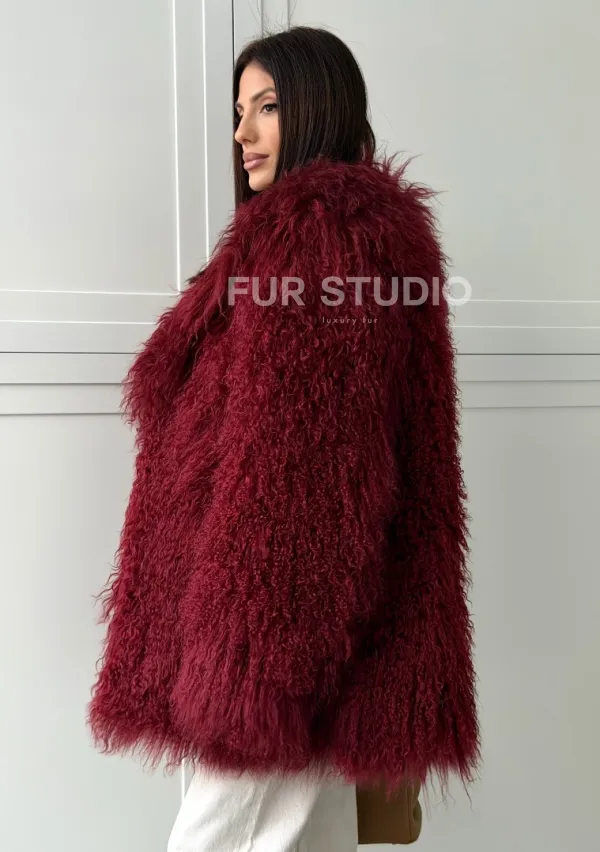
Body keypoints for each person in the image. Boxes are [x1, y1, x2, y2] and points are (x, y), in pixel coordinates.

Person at [87, 25, 481, 852]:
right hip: (295, 650)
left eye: (266, 107)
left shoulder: (322, 239)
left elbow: (310, 481)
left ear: (317, 108)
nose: (242, 133)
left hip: (274, 657)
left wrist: (260, 673)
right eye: (239, 111)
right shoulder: (312, 242)